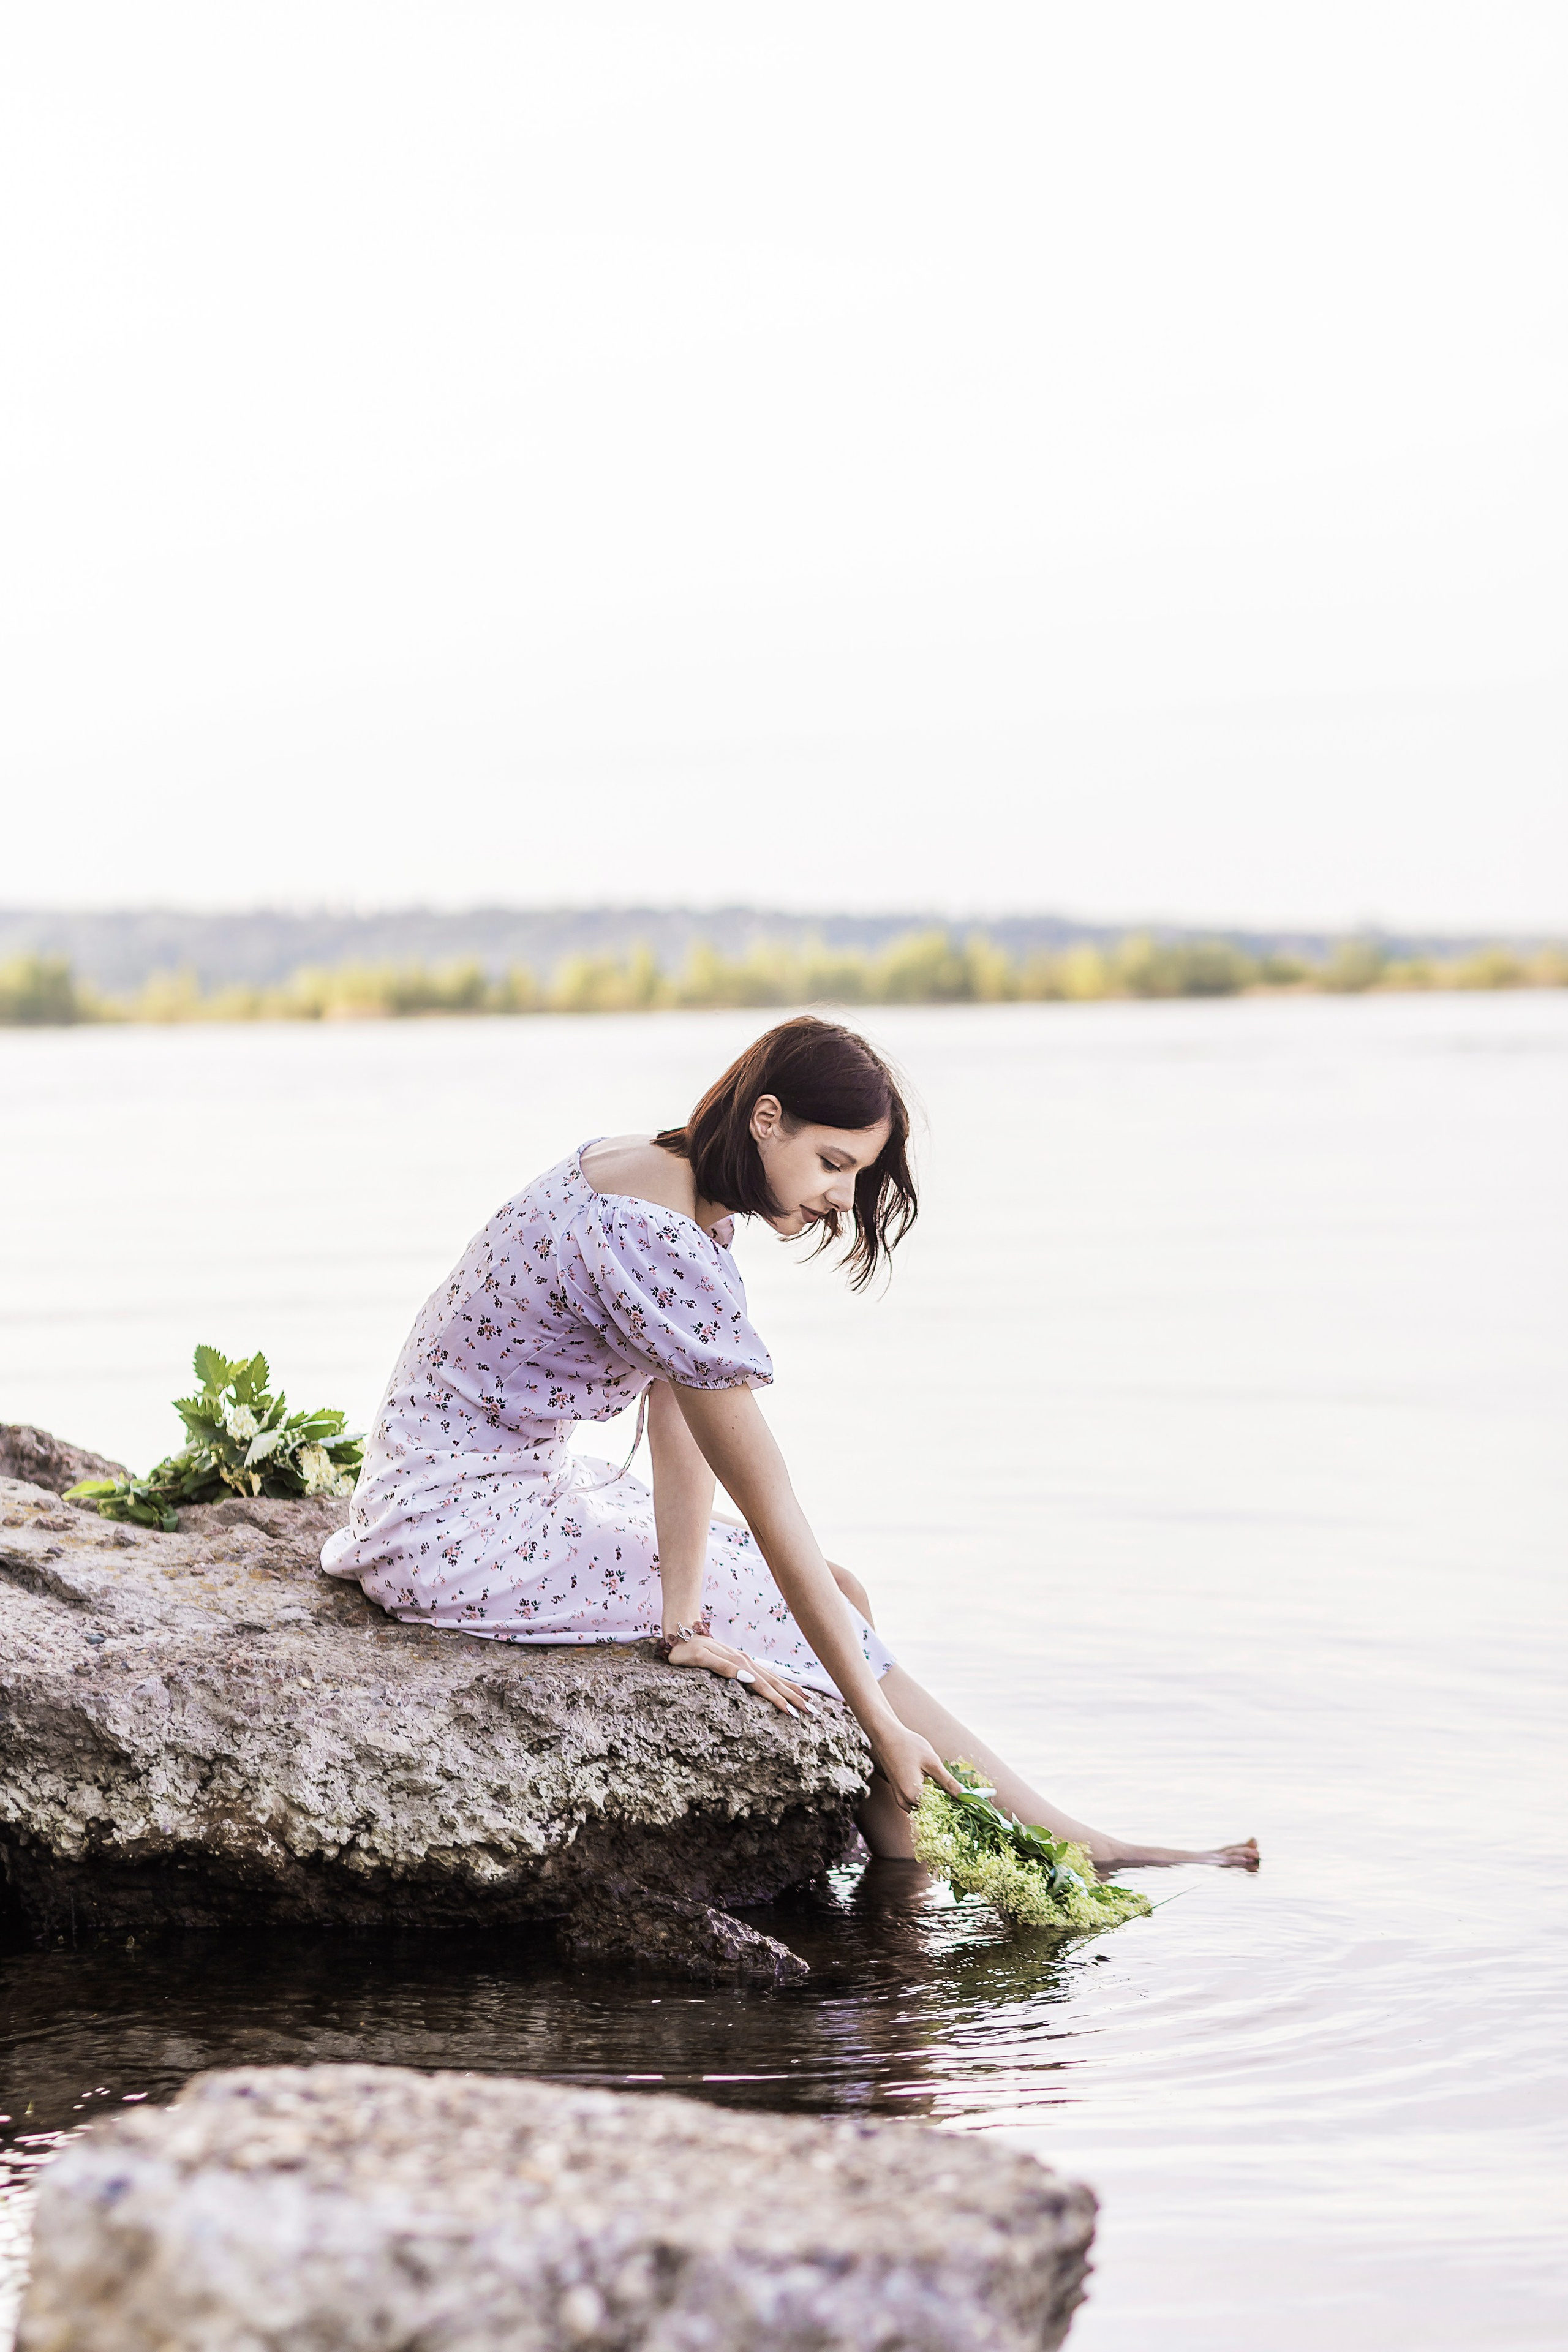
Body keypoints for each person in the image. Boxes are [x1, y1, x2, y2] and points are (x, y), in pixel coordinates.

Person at [323, 1015, 1256, 1872]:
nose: (840, 1200)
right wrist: (880, 1719)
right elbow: (774, 1510)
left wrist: (683, 1625)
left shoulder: (663, 1178)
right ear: (767, 1118)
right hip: (453, 1528)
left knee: (842, 1591)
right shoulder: (657, 1238)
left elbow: (680, 1423)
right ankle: (1069, 1843)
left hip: (485, 1487)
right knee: (807, 1601)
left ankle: (903, 1864)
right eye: (833, 1163)